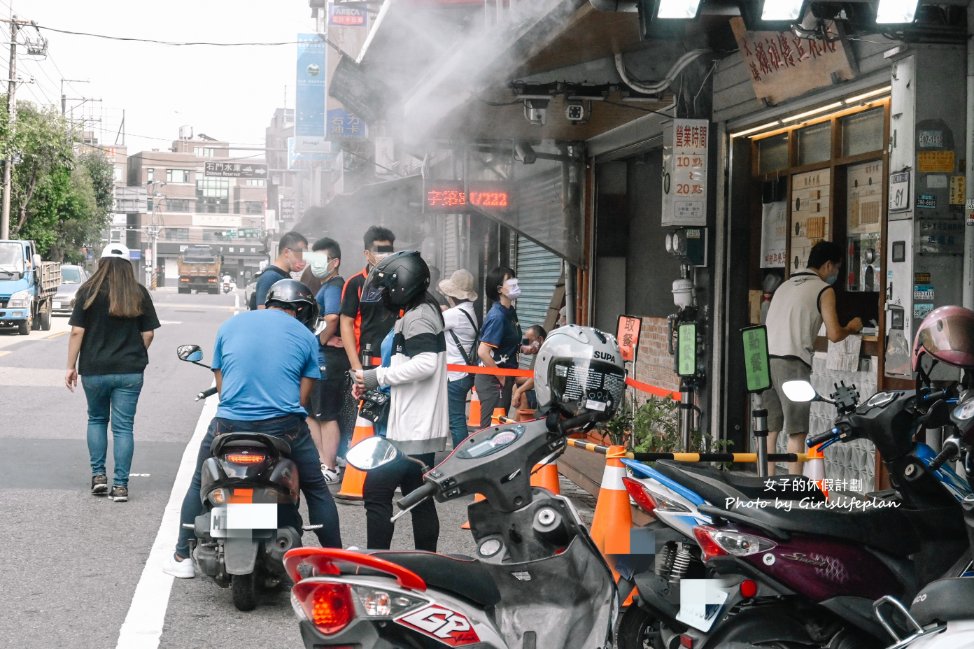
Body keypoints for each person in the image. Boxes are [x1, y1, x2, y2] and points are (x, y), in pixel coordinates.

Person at [164, 279, 341, 578]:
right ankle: (334, 560)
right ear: (300, 310)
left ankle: (182, 555)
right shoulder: (306, 336)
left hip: (229, 425)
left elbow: (222, 388)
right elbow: (301, 398)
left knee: (199, 481)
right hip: (283, 427)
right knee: (315, 487)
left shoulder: (231, 326)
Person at [351, 251, 449, 551]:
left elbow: (425, 364)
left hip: (409, 431)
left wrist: (375, 378)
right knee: (417, 497)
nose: (383, 294)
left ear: (403, 284)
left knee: (376, 493)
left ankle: (377, 562)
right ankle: (427, 563)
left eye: (386, 287)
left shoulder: (419, 316)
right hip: (413, 426)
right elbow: (406, 366)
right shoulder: (420, 311)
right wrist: (374, 382)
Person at [65, 244, 161, 503]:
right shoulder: (138, 292)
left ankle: (98, 477)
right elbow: (149, 333)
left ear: (102, 262)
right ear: (128, 266)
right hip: (129, 371)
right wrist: (134, 353)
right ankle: (120, 486)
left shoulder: (88, 291)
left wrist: (70, 366)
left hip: (94, 369)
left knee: (96, 419)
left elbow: (77, 332)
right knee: (123, 428)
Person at [762, 240, 863, 475]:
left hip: (766, 359)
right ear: (828, 265)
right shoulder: (823, 289)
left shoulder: (785, 285)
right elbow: (835, 333)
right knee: (796, 431)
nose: (836, 273)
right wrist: (852, 326)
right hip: (791, 362)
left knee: (770, 429)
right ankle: (794, 488)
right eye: (837, 268)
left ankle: (764, 483)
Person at [306, 237, 347, 483]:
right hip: (320, 360)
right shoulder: (327, 286)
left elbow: (332, 318)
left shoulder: (333, 287)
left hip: (327, 362)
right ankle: (324, 461)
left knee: (326, 415)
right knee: (311, 413)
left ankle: (329, 466)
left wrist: (322, 340)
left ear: (334, 262)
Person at [341, 226, 397, 371]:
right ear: (367, 254)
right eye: (380, 251)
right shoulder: (356, 283)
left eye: (389, 250)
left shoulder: (401, 281)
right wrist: (355, 365)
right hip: (367, 362)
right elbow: (346, 324)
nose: (385, 255)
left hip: (398, 363)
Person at [475, 266, 522, 429]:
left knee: (498, 427)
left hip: (504, 377)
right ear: (500, 289)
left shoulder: (510, 311)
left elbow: (506, 342)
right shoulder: (498, 317)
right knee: (489, 429)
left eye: (514, 278)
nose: (515, 283)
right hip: (492, 381)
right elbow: (483, 352)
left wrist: (525, 348)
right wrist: (501, 377)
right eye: (510, 280)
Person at [439, 268, 480, 448]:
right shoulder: (468, 311)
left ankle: (460, 457)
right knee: (457, 418)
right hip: (463, 374)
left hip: (455, 376)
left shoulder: (454, 314)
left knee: (456, 421)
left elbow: (432, 325)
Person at [253, 231, 308, 309]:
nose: (303, 261)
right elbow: (263, 312)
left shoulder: (284, 277)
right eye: (300, 255)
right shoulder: (270, 277)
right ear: (286, 252)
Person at [512, 325, 547, 412]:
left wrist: (518, 392)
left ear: (540, 339)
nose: (526, 345)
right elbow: (535, 376)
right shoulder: (540, 352)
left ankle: (516, 424)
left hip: (550, 397)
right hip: (544, 389)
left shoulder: (546, 353)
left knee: (523, 395)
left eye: (529, 341)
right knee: (515, 387)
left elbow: (536, 379)